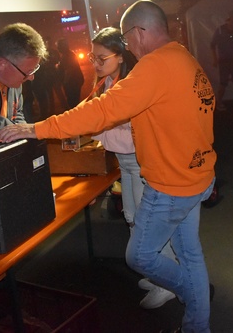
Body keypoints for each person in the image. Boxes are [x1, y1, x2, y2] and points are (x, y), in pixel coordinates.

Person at [0, 0, 216, 333]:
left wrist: (35, 128)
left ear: (139, 32)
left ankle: (190, 295)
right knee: (190, 254)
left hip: (172, 183)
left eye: (128, 40)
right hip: (197, 175)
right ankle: (197, 326)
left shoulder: (154, 66)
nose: (128, 48)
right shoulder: (185, 58)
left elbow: (101, 111)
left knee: (140, 257)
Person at [87, 27, 178, 309]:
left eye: (102, 58)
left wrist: (93, 129)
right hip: (126, 164)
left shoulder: (132, 85)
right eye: (94, 57)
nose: (96, 64)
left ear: (121, 55)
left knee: (149, 224)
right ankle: (155, 273)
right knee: (132, 217)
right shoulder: (107, 83)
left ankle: (169, 281)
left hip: (141, 163)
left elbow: (132, 136)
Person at [210, 10, 233, 111]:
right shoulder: (221, 30)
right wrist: (214, 58)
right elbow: (212, 45)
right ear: (232, 18)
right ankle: (219, 102)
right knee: (223, 83)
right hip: (224, 61)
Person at [57, 38, 84, 108]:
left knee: (72, 100)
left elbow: (69, 70)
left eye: (59, 46)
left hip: (72, 82)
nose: (58, 48)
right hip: (74, 81)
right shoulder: (67, 55)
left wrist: (65, 82)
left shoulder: (67, 56)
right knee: (73, 100)